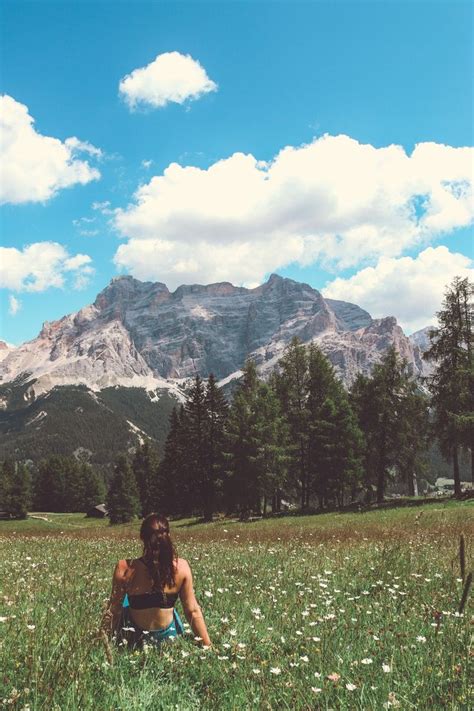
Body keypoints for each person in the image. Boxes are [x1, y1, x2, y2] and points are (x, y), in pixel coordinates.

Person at [101, 513, 212, 648]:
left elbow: (114, 611)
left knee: (124, 602)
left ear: (142, 537)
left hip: (135, 638)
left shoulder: (125, 568)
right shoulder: (182, 567)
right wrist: (207, 645)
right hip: (168, 638)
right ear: (168, 536)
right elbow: (192, 611)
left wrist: (103, 642)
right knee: (168, 604)